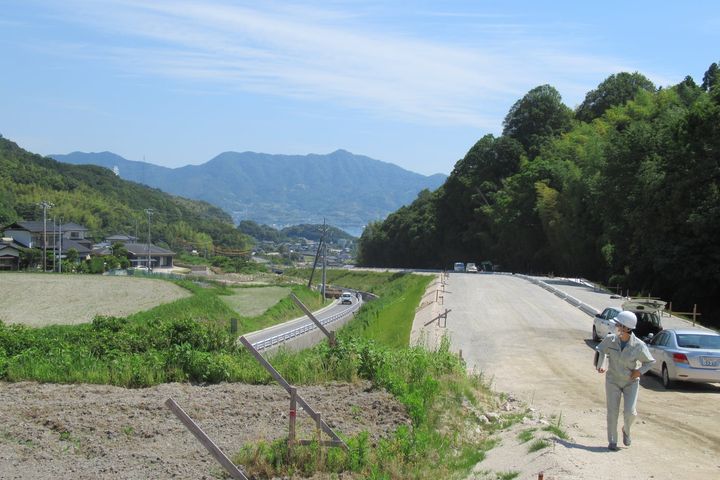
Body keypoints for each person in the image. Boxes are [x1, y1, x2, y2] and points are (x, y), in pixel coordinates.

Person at [595, 310, 655, 451]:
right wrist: (601, 366)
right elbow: (600, 350)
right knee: (612, 412)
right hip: (613, 380)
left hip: (630, 382)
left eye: (619, 325)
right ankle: (612, 441)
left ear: (627, 328)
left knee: (630, 412)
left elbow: (650, 362)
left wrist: (639, 371)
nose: (616, 327)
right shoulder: (610, 340)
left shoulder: (638, 345)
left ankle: (626, 430)